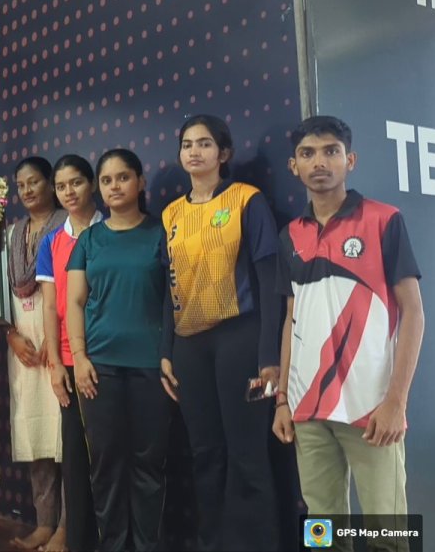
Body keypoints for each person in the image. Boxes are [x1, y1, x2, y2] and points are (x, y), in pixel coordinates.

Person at [273, 116, 425, 551]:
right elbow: (291, 318)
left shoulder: (384, 219)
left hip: (371, 408)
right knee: (323, 536)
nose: (319, 162)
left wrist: (396, 402)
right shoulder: (290, 235)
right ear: (294, 166)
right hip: (307, 410)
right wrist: (282, 399)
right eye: (307, 154)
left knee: (388, 536)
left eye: (331, 151)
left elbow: (414, 313)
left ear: (350, 160)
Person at [158, 115, 281, 551]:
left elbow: (269, 280)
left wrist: (269, 356)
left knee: (247, 453)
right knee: (205, 454)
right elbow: (168, 285)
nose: (195, 152)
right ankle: (213, 543)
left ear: (223, 153)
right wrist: (167, 349)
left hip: (240, 339)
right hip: (190, 346)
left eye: (205, 144)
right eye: (187, 144)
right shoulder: (171, 214)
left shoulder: (247, 200)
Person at [68, 149, 171, 552]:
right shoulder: (89, 240)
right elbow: (75, 302)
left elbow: (174, 300)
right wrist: (79, 358)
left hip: (152, 368)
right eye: (107, 180)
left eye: (123, 177)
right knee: (106, 466)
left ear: (140, 182)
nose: (115, 186)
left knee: (149, 466)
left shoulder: (162, 233)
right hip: (100, 370)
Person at [38, 154, 102, 552]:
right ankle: (76, 541)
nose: (69, 192)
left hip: (109, 354)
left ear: (91, 183)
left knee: (111, 457)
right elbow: (50, 306)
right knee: (76, 459)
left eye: (76, 182)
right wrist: (55, 365)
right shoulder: (52, 242)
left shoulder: (112, 229)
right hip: (67, 358)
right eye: (61, 186)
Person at [5, 157, 67, 551]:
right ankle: (44, 524)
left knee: (67, 440)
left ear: (50, 184)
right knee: (36, 437)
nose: (27, 191)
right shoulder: (12, 234)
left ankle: (67, 529)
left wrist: (56, 337)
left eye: (34, 182)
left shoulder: (69, 225)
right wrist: (11, 335)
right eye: (21, 185)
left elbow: (77, 287)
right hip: (23, 348)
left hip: (60, 346)